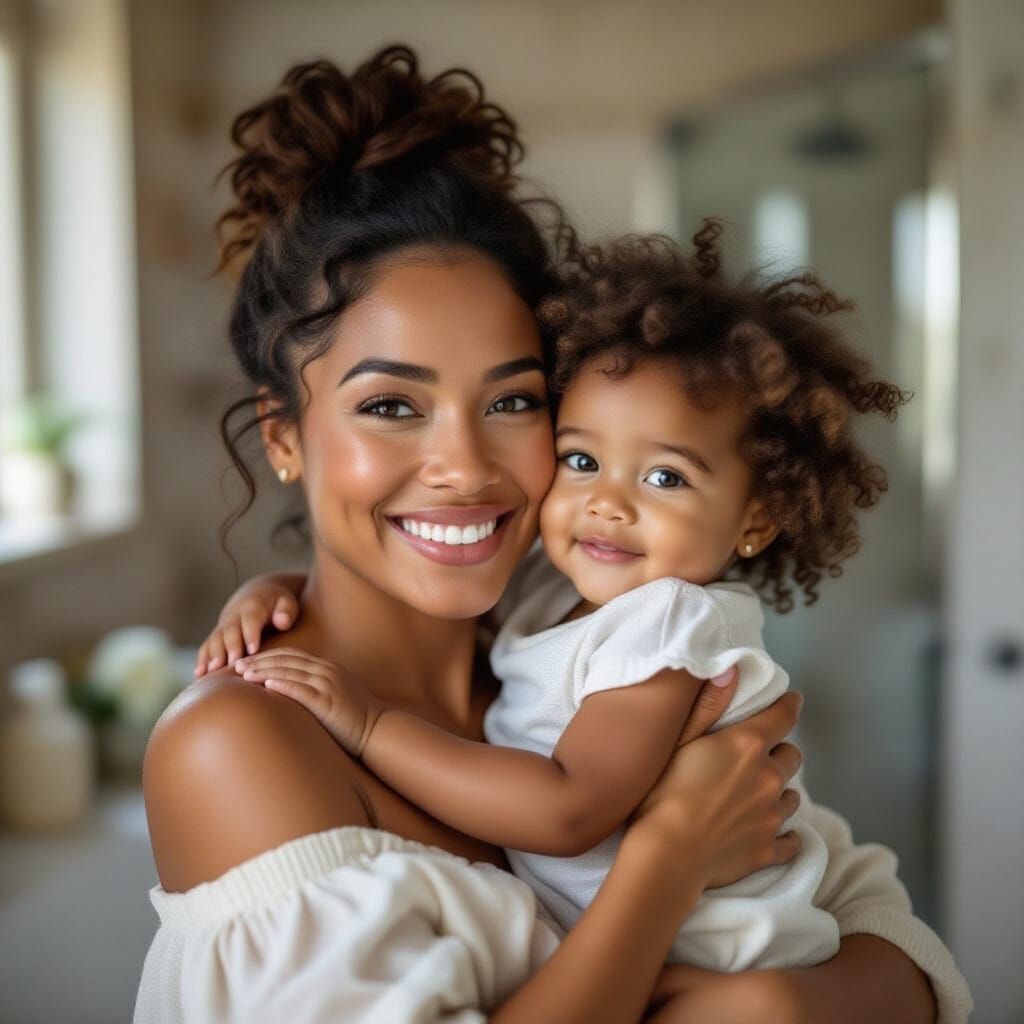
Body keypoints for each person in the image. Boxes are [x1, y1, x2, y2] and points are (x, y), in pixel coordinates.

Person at [138, 47, 971, 1024]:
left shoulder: (567, 644)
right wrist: (665, 863)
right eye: (393, 406)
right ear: (285, 437)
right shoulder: (237, 740)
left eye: (514, 400)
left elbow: (897, 951)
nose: (464, 466)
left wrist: (778, 1001)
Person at [225, 223, 910, 974]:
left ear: (756, 519)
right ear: (281, 435)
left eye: (665, 478)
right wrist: (278, 591)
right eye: (582, 459)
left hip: (723, 960)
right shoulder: (559, 592)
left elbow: (567, 808)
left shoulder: (667, 624)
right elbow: (427, 569)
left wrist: (370, 724)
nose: (607, 505)